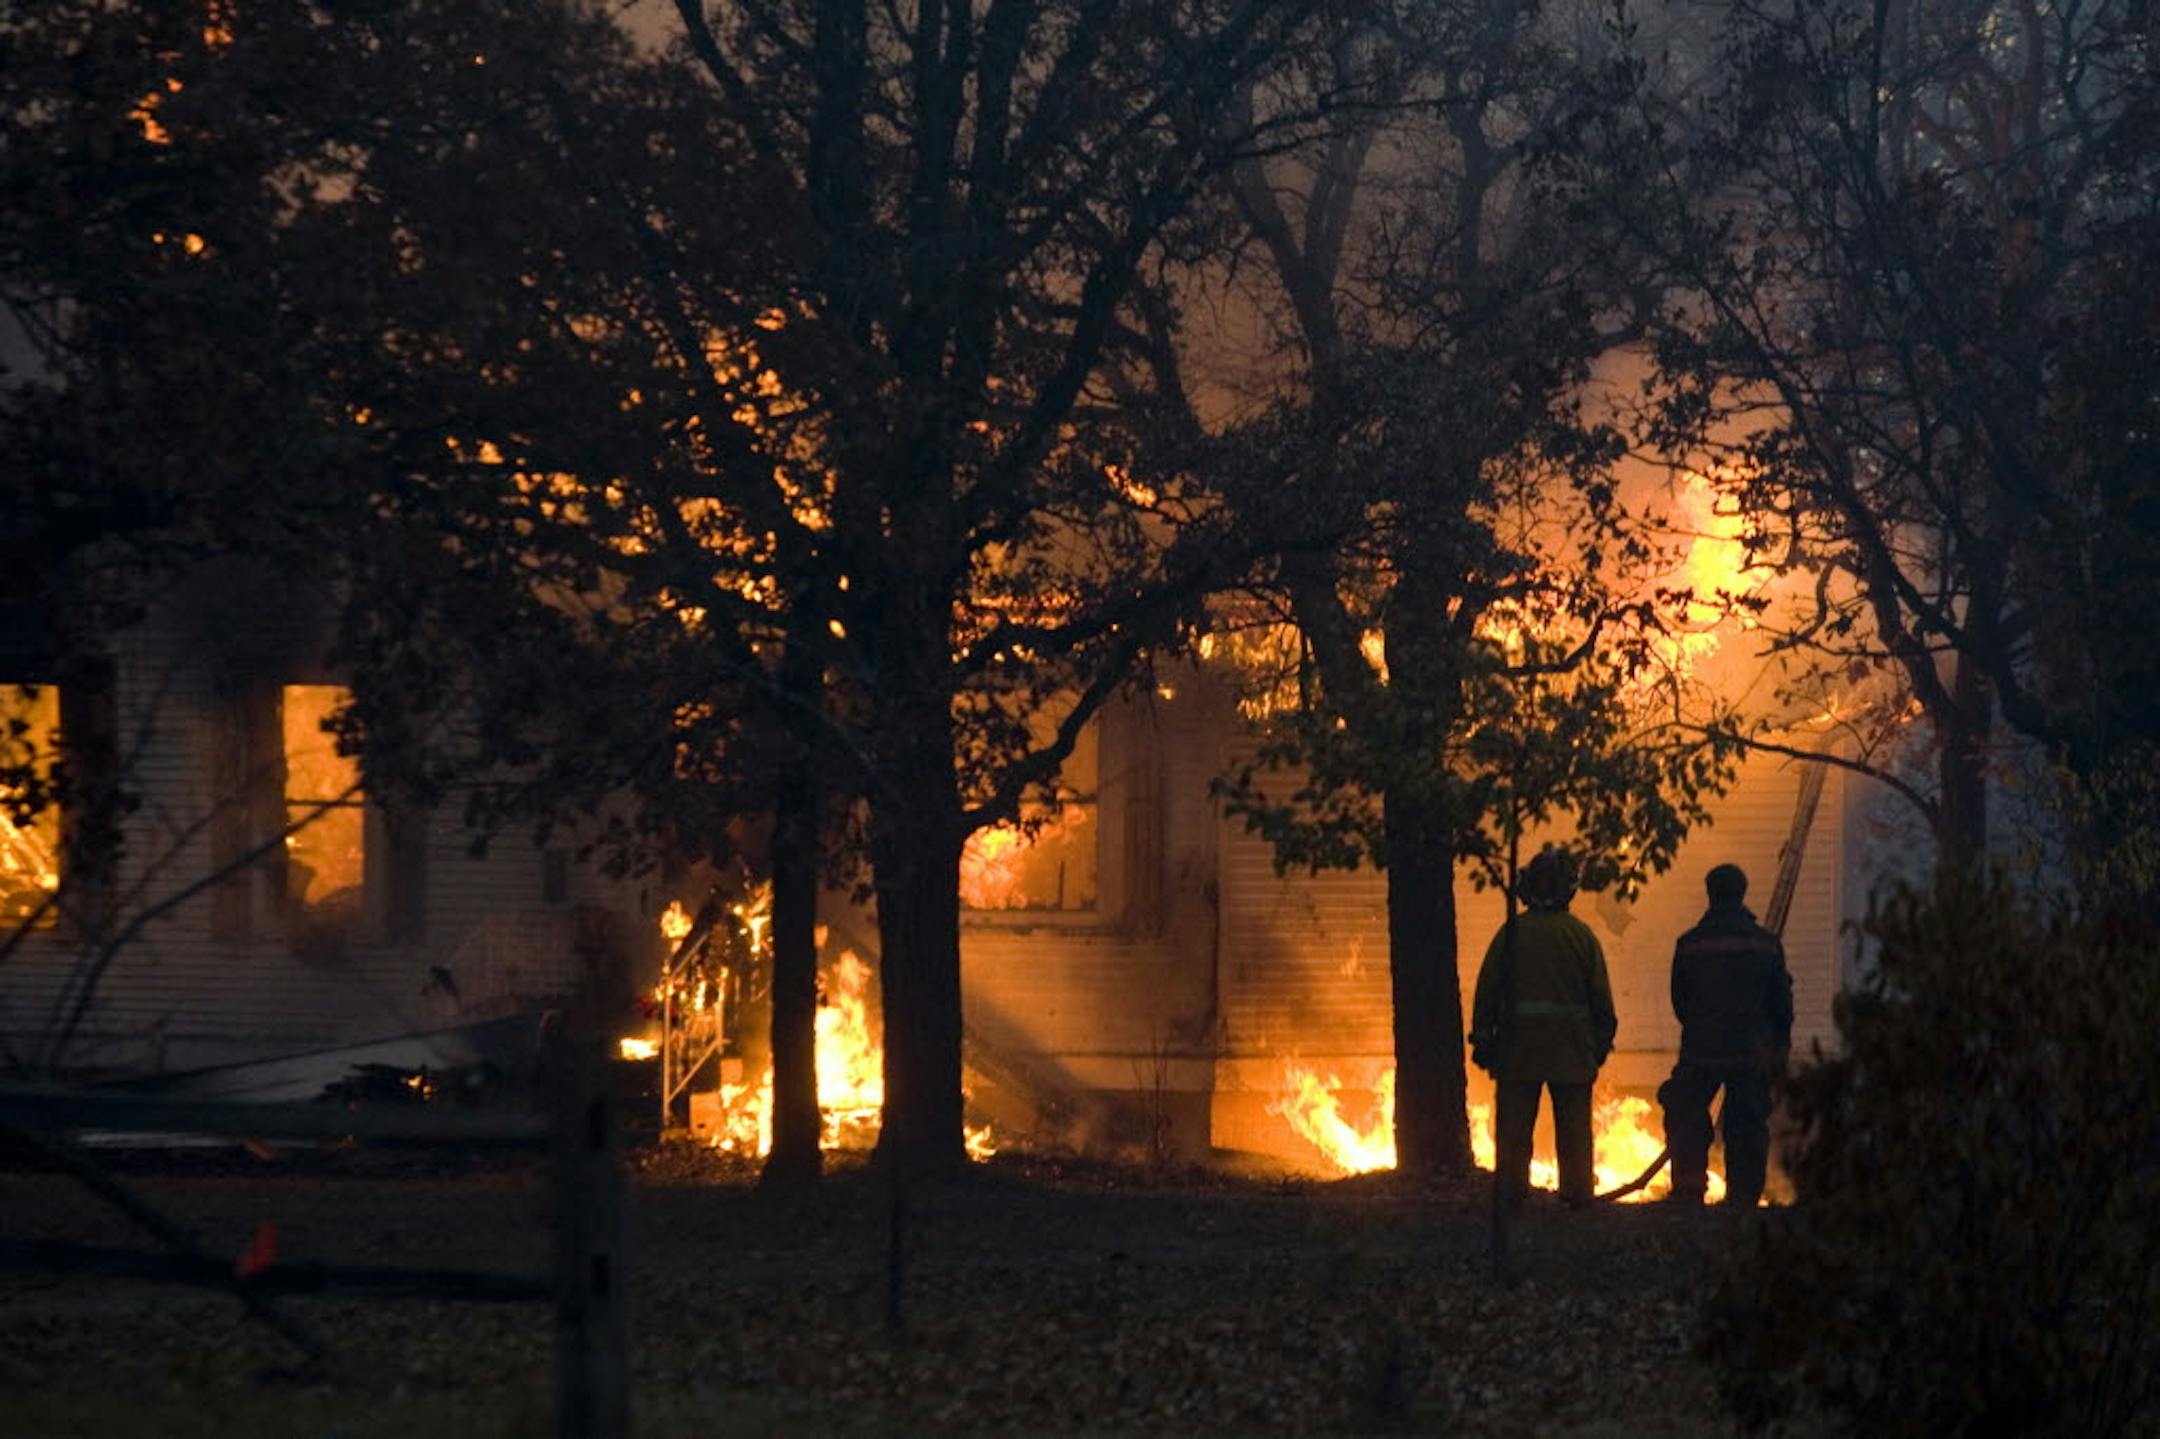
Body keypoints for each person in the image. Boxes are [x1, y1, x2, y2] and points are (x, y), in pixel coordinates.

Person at [1469, 847, 1618, 1210]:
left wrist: (1483, 1038)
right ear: (1569, 889)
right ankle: (1578, 1196)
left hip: (1519, 1050)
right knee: (1574, 1129)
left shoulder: (1512, 933)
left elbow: (1488, 989)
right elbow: (1601, 998)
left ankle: (1510, 1194)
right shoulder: (1581, 936)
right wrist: (1600, 1044)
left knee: (1514, 1130)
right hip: (1571, 1050)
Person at [1658, 863, 1794, 1207]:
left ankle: (1689, 1189)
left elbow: (1680, 1000)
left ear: (1710, 893)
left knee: (1686, 1113)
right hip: (1751, 1052)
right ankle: (1743, 1197)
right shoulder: (1766, 945)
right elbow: (1781, 1002)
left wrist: (1702, 1028)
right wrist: (1777, 1048)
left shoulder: (1690, 944)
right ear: (1742, 893)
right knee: (1746, 1124)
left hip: (1702, 1050)